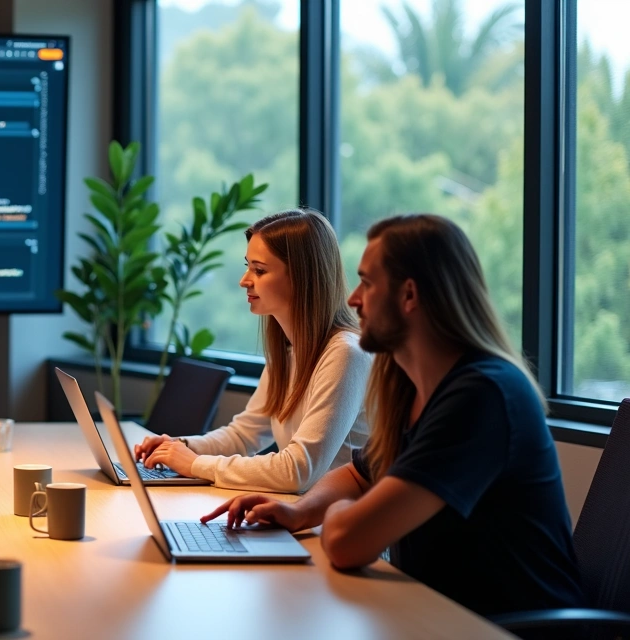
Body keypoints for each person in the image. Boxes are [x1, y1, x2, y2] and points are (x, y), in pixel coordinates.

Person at [204, 214, 586, 616]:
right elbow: (357, 475)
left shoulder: (481, 394)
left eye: (367, 284)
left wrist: (332, 514)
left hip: (505, 626)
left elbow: (348, 542)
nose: (353, 299)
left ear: (409, 296)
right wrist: (299, 511)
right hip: (434, 611)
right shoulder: (414, 385)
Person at [134, 209, 371, 493]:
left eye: (259, 270)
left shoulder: (345, 354)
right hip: (302, 512)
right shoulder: (288, 351)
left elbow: (298, 470)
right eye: (248, 266)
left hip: (337, 525)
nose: (244, 280)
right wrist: (180, 447)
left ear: (302, 276)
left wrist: (195, 464)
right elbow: (244, 435)